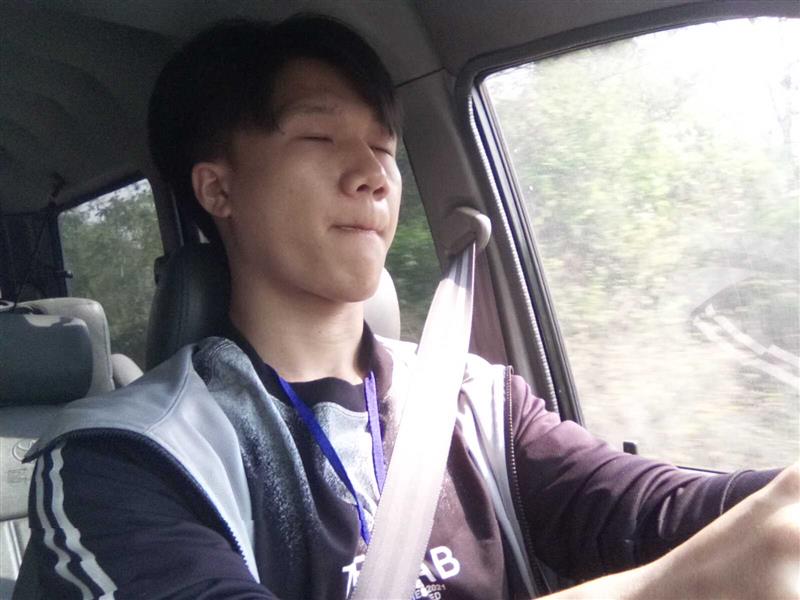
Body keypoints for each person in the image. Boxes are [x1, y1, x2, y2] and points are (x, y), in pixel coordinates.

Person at [21, 15, 799, 600]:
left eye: (385, 149)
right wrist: (678, 586)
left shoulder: (475, 403)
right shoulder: (121, 462)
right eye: (320, 138)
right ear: (218, 188)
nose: (373, 175)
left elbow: (650, 508)